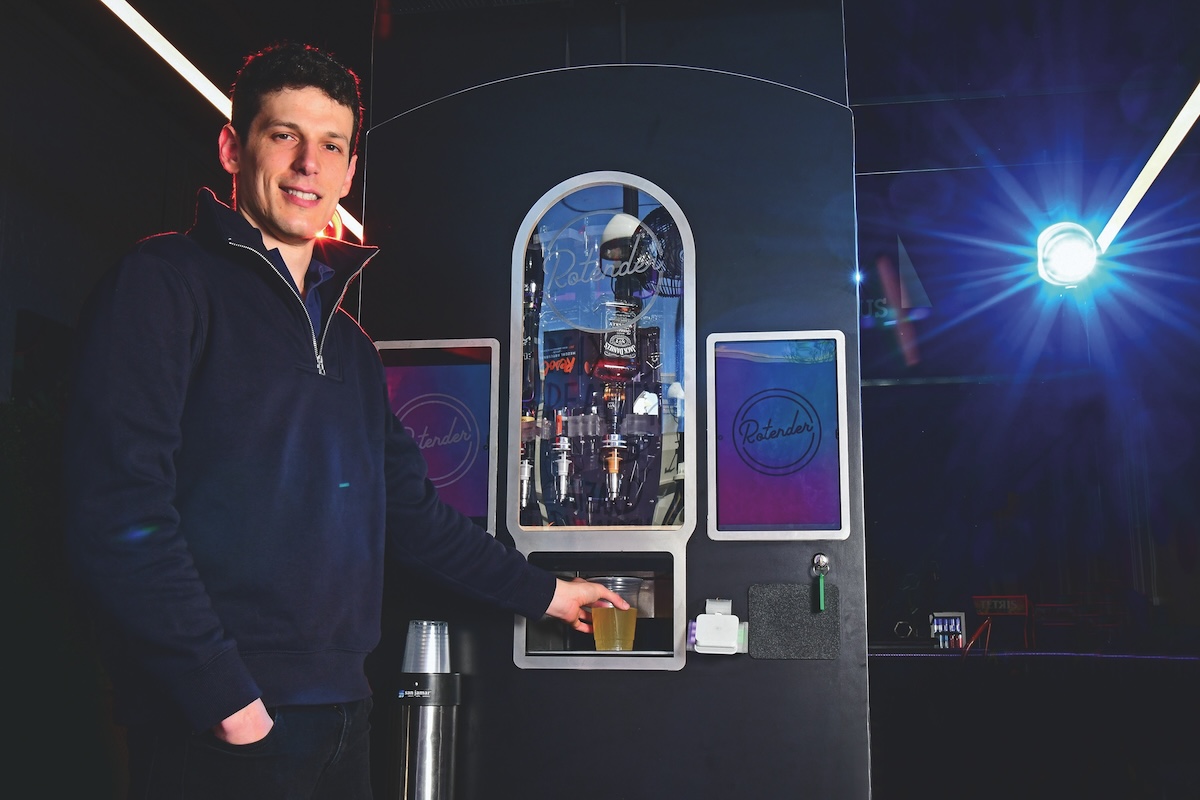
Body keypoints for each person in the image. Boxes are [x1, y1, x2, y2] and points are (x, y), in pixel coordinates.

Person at [63, 42, 624, 799]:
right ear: (232, 147)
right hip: (222, 724)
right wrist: (224, 699)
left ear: (350, 169)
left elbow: (411, 516)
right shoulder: (165, 283)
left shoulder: (349, 344)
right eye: (283, 135)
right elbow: (117, 510)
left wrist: (547, 593)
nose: (308, 164)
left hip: (342, 713)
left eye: (331, 145)